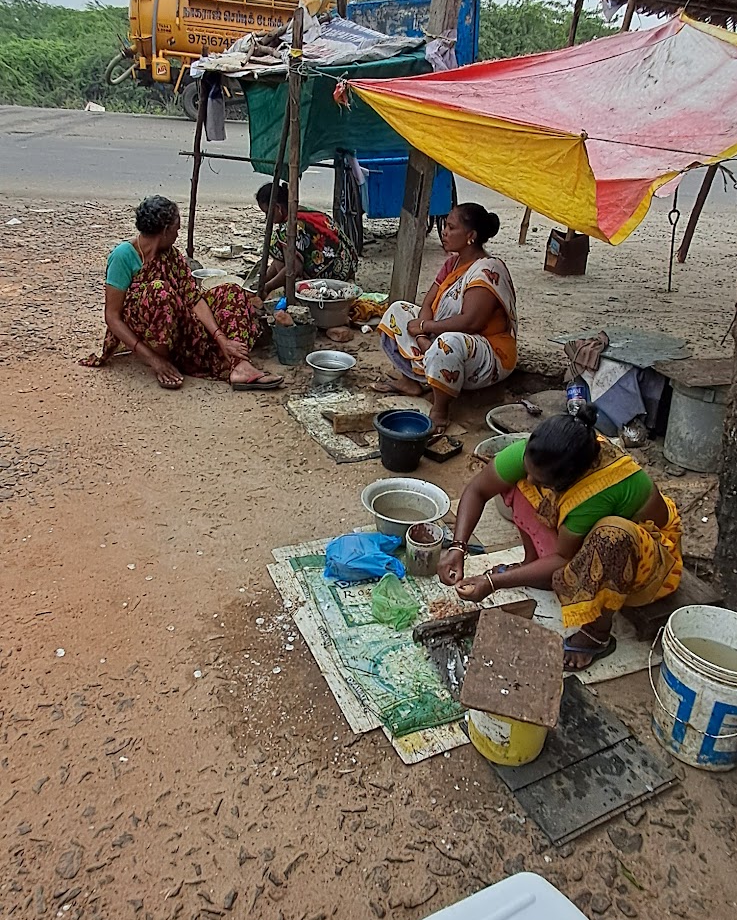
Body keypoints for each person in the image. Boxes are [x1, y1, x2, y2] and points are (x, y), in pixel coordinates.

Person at [439, 406, 682, 671]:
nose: (530, 477)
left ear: (569, 480)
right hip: (581, 527)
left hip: (647, 561)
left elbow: (563, 557)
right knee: (520, 484)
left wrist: (492, 583)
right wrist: (457, 548)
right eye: (528, 468)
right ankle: (533, 566)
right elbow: (477, 489)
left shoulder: (595, 492)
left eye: (543, 480)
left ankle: (597, 633)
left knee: (611, 535)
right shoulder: (544, 453)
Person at [83, 195, 283, 391]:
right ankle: (163, 359)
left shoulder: (172, 256)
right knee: (159, 291)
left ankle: (239, 365)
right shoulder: (123, 256)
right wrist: (154, 360)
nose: (178, 235)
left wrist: (222, 339)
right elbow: (112, 317)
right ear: (165, 231)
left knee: (231, 292)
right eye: (176, 230)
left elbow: (193, 299)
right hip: (145, 331)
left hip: (177, 324)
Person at [374, 204, 517, 432]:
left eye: (451, 227)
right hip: (438, 337)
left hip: (486, 353)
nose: (444, 232)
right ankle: (411, 381)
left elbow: (471, 322)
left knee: (447, 344)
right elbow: (428, 302)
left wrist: (424, 328)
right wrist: (423, 335)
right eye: (445, 227)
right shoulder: (453, 263)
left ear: (471, 236)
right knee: (397, 310)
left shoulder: (487, 269)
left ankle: (440, 410)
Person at [256, 183, 358, 296]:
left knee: (277, 242)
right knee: (280, 248)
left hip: (335, 272)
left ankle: (288, 289)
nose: (267, 218)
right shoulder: (302, 211)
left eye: (267, 213)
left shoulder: (290, 226)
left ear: (278, 208)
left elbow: (294, 267)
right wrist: (264, 280)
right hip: (348, 262)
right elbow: (278, 259)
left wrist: (268, 287)